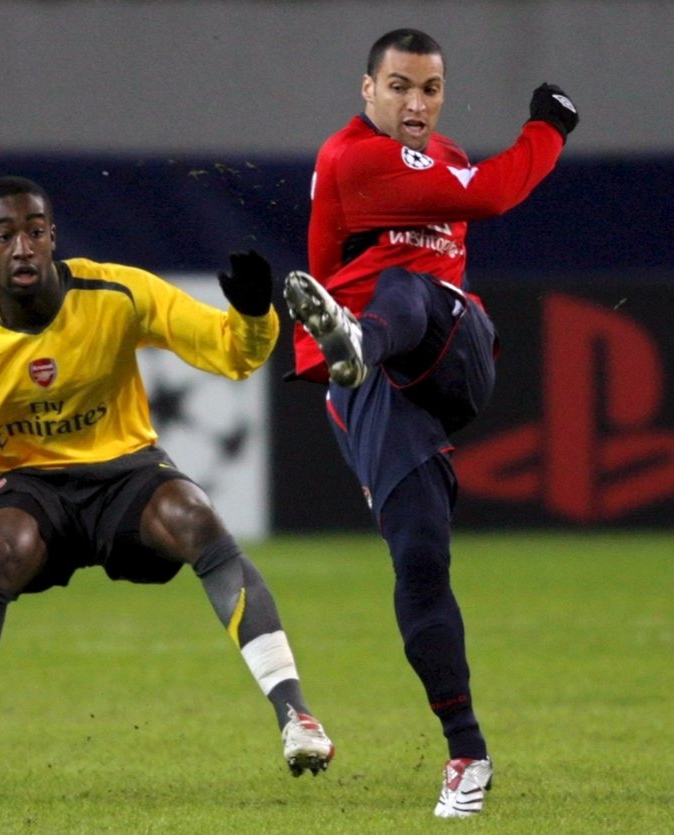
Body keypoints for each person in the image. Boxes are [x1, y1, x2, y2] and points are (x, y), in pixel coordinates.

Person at [0, 175, 334, 809]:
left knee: (196, 517)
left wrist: (253, 317)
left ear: (53, 236)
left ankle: (296, 718)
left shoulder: (116, 292)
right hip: (31, 491)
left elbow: (231, 354)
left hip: (125, 475)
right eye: (6, 236)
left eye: (35, 231)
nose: (23, 247)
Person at [282, 29, 578, 818]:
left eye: (432, 88)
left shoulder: (434, 157)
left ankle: (356, 345)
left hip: (450, 345)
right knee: (418, 558)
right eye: (402, 87)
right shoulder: (355, 157)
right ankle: (467, 753)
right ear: (367, 89)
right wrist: (549, 125)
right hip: (381, 385)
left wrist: (542, 131)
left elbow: (483, 197)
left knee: (407, 291)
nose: (417, 104)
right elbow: (492, 190)